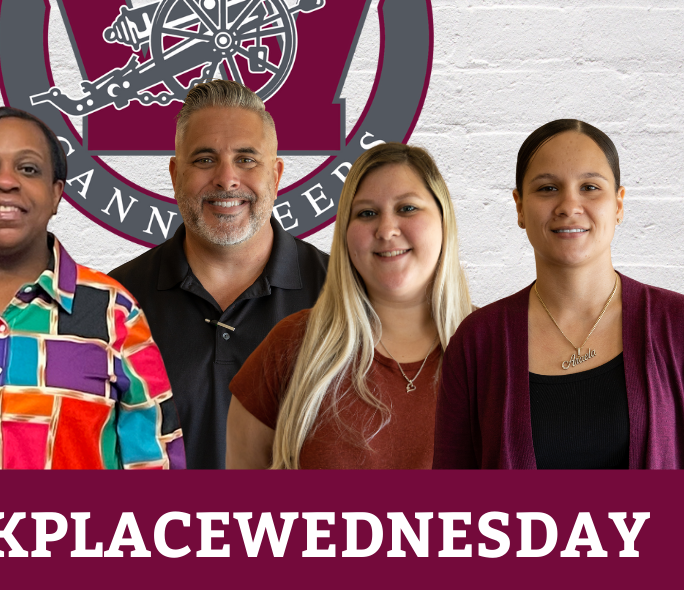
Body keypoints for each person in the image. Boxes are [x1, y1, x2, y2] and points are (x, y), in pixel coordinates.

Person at [0, 107, 184, 469]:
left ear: (57, 193)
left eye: (28, 169)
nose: (5, 181)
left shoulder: (113, 313)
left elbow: (156, 466)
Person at [434, 119, 684, 469]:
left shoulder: (676, 325)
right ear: (520, 207)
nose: (569, 205)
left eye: (590, 187)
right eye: (548, 188)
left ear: (618, 204)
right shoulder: (478, 341)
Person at [110, 80, 329, 469]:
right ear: (176, 175)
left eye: (246, 159)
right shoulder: (116, 302)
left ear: (275, 176)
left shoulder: (340, 293)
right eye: (205, 160)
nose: (227, 179)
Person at [226, 143, 473, 469]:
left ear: (444, 219)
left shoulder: (496, 350)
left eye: (407, 208)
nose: (386, 230)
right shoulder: (292, 347)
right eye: (367, 213)